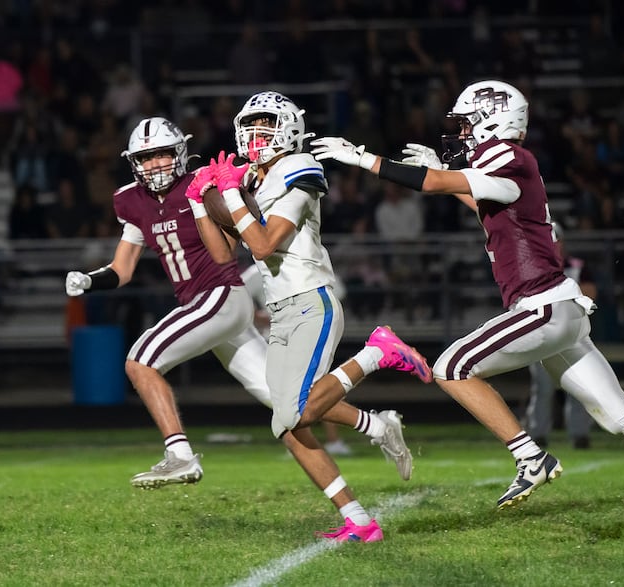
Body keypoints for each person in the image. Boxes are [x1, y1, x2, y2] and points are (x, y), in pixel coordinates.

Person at [310, 79, 624, 532]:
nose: (462, 135)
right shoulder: (511, 167)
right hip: (559, 310)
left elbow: (434, 184)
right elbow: (483, 204)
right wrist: (448, 182)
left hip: (542, 307)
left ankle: (530, 457)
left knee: (451, 367)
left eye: (468, 125)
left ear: (493, 121)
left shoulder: (507, 156)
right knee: (621, 416)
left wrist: (363, 159)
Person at [64, 116, 415, 491]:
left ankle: (179, 453)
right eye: (146, 158)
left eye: (163, 155)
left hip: (219, 295)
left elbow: (230, 248)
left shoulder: (202, 187)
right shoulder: (130, 200)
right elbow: (123, 268)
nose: (155, 165)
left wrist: (216, 198)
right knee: (283, 402)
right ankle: (377, 425)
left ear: (179, 153)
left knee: (140, 360)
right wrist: (91, 280)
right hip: (206, 309)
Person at [188, 92, 432, 543]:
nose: (256, 137)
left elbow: (263, 244)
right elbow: (223, 253)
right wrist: (199, 201)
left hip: (310, 301)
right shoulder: (256, 182)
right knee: (287, 424)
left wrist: (226, 193)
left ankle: (378, 354)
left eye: (266, 127)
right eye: (251, 127)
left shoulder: (299, 169)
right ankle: (360, 519)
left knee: (296, 410)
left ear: (289, 130)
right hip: (281, 312)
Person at [240, 263, 353, 457]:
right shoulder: (257, 271)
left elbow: (337, 293)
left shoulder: (308, 259)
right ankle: (301, 443)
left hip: (310, 330)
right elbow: (236, 298)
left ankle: (336, 439)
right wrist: (258, 317)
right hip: (278, 338)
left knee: (320, 389)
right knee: (289, 393)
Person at [525, 222, 594, 450]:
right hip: (543, 334)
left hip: (572, 333)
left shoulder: (577, 265)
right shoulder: (533, 267)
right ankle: (538, 434)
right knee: (542, 388)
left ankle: (579, 433)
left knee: (579, 386)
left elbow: (590, 295)